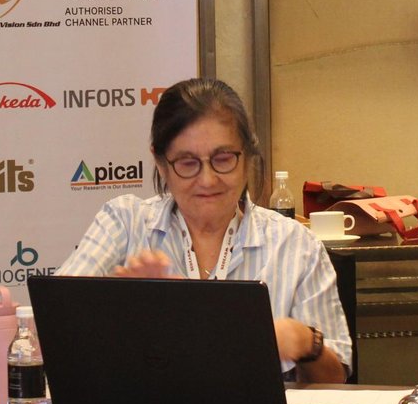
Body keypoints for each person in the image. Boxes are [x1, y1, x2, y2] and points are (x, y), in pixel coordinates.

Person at [59, 76, 352, 381]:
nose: (208, 180)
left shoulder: (296, 245)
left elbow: (336, 380)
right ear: (161, 164)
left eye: (223, 159)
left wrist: (306, 342)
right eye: (187, 164)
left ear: (247, 156)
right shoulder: (125, 222)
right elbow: (56, 319)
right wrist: (115, 310)